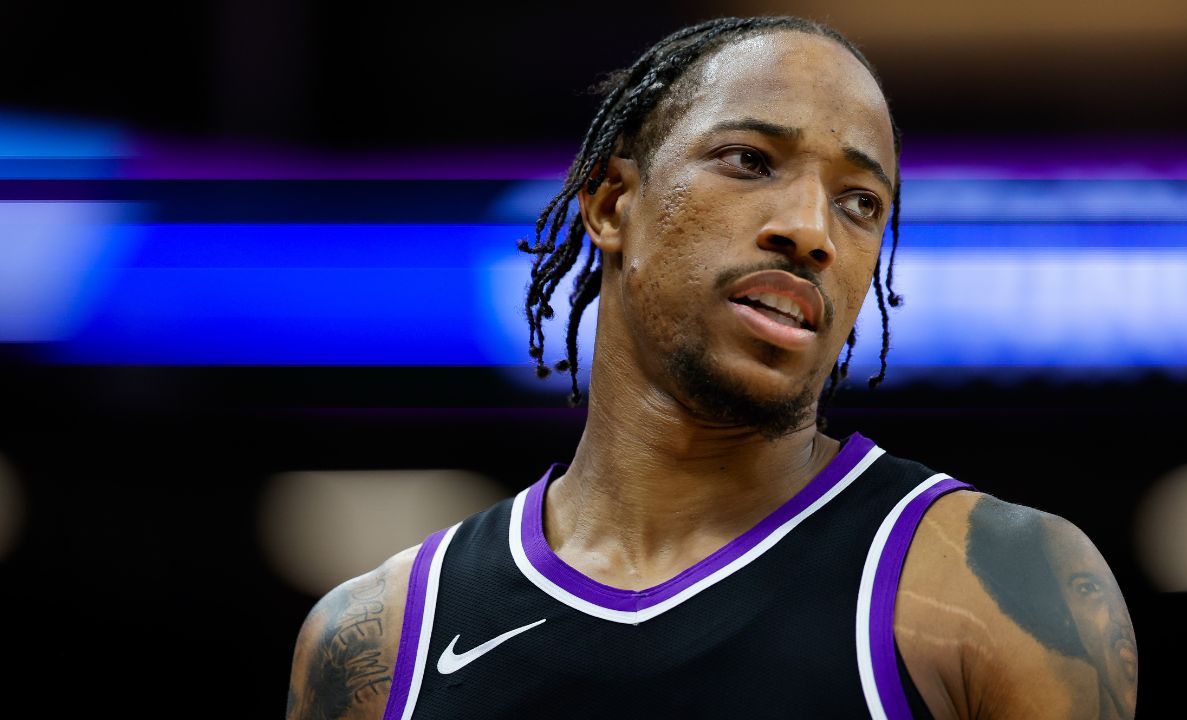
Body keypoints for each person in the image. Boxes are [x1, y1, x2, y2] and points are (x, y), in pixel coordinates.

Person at [286, 16, 1138, 719]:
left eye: (860, 203)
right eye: (751, 161)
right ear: (612, 204)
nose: (811, 231)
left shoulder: (994, 587)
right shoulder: (381, 639)